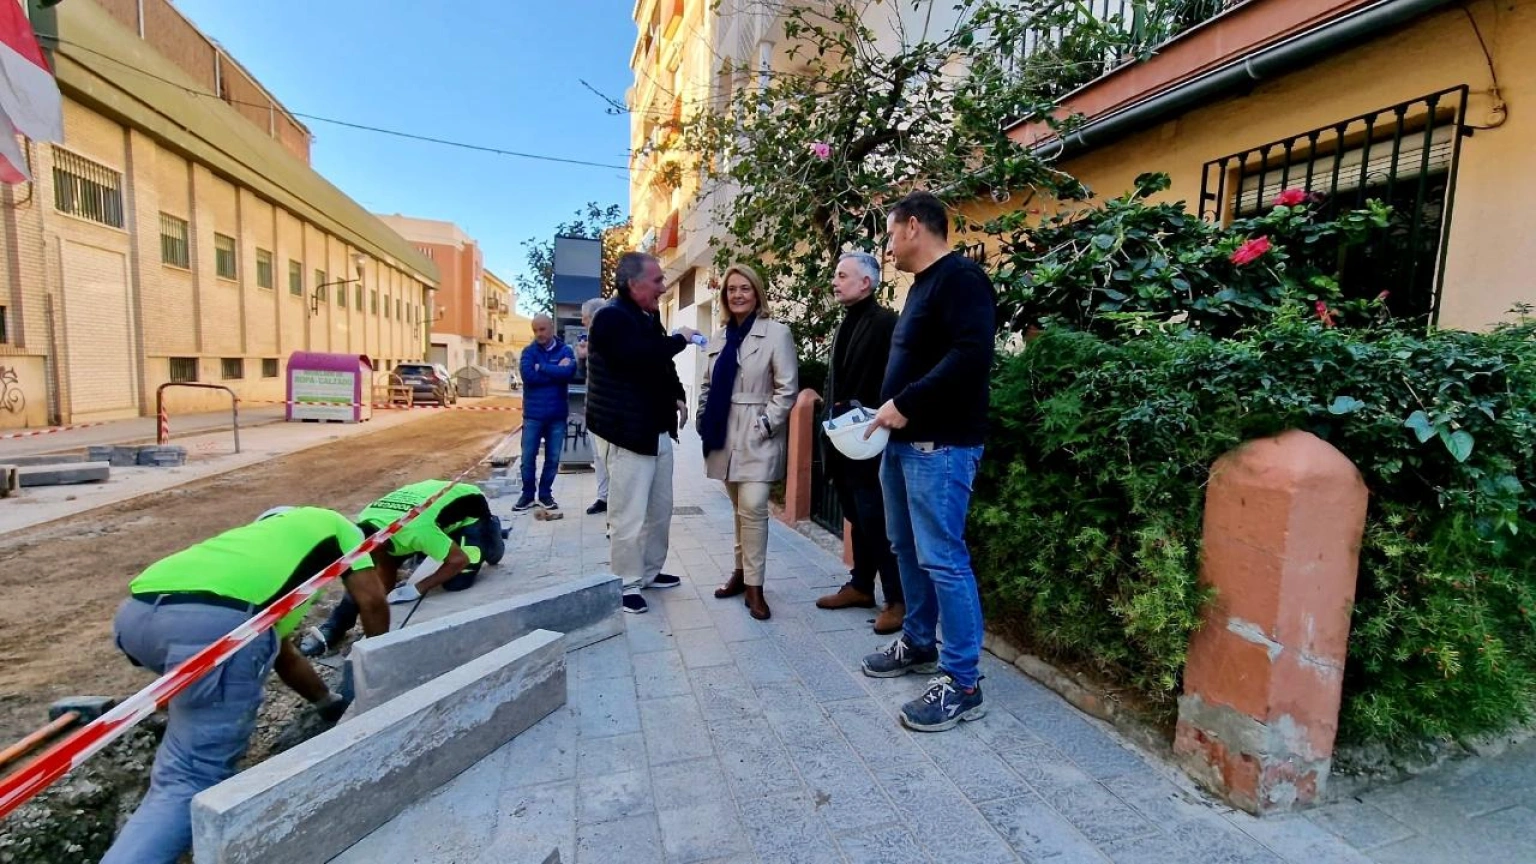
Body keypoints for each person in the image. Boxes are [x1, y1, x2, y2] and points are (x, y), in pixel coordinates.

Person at [102, 506, 389, 864]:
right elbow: (372, 601)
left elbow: (283, 655)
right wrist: (382, 671)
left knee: (201, 709)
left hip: (136, 616)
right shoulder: (341, 527)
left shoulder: (252, 556)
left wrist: (326, 702)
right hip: (212, 626)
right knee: (190, 776)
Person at [860, 190, 996, 733]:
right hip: (903, 444)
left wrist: (907, 403)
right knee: (905, 548)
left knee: (944, 559)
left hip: (940, 446)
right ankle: (919, 643)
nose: (888, 245)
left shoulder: (961, 279)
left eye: (891, 233)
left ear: (913, 226)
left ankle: (963, 683)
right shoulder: (921, 286)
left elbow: (972, 355)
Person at [586, 251, 696, 614]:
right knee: (628, 515)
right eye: (658, 281)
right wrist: (680, 338)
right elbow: (638, 357)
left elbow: (660, 365)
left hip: (655, 429)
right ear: (633, 284)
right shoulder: (611, 317)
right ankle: (626, 583)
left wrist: (677, 395)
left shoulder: (646, 317)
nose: (663, 288)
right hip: (626, 433)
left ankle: (649, 572)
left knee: (660, 510)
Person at [299, 480, 505, 656]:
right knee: (371, 573)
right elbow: (381, 569)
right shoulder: (365, 523)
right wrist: (379, 591)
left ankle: (491, 528)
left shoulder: (415, 530)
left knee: (458, 581)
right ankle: (335, 625)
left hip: (470, 507)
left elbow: (459, 560)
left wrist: (418, 588)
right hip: (424, 511)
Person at [700, 264, 798, 620]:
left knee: (754, 507)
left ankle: (755, 586)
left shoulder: (777, 333)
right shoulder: (719, 337)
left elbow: (787, 387)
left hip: (758, 431)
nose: (738, 295)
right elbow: (708, 384)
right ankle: (741, 574)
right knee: (739, 508)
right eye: (731, 290)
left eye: (745, 288)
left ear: (757, 293)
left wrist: (766, 424)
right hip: (723, 432)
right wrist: (703, 418)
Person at [814, 251, 904, 634]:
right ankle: (861, 585)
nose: (834, 282)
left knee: (875, 517)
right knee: (856, 515)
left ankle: (897, 600)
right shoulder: (846, 323)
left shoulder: (886, 323)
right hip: (842, 439)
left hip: (870, 438)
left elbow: (896, 378)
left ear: (865, 282)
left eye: (842, 275)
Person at [516, 314, 577, 511]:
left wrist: (541, 367)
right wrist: (555, 371)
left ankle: (545, 495)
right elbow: (528, 377)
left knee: (552, 459)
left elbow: (568, 373)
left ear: (551, 328)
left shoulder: (566, 350)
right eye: (535, 330)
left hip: (557, 416)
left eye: (542, 329)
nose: (538, 334)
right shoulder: (528, 352)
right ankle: (527, 496)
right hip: (533, 416)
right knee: (527, 459)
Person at [578, 296, 610, 516]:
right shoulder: (591, 342)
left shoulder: (609, 341)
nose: (582, 322)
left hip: (607, 413)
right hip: (593, 410)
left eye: (585, 318)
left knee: (609, 459)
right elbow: (584, 376)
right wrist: (582, 358)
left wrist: (589, 352)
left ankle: (615, 502)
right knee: (598, 458)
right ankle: (603, 497)